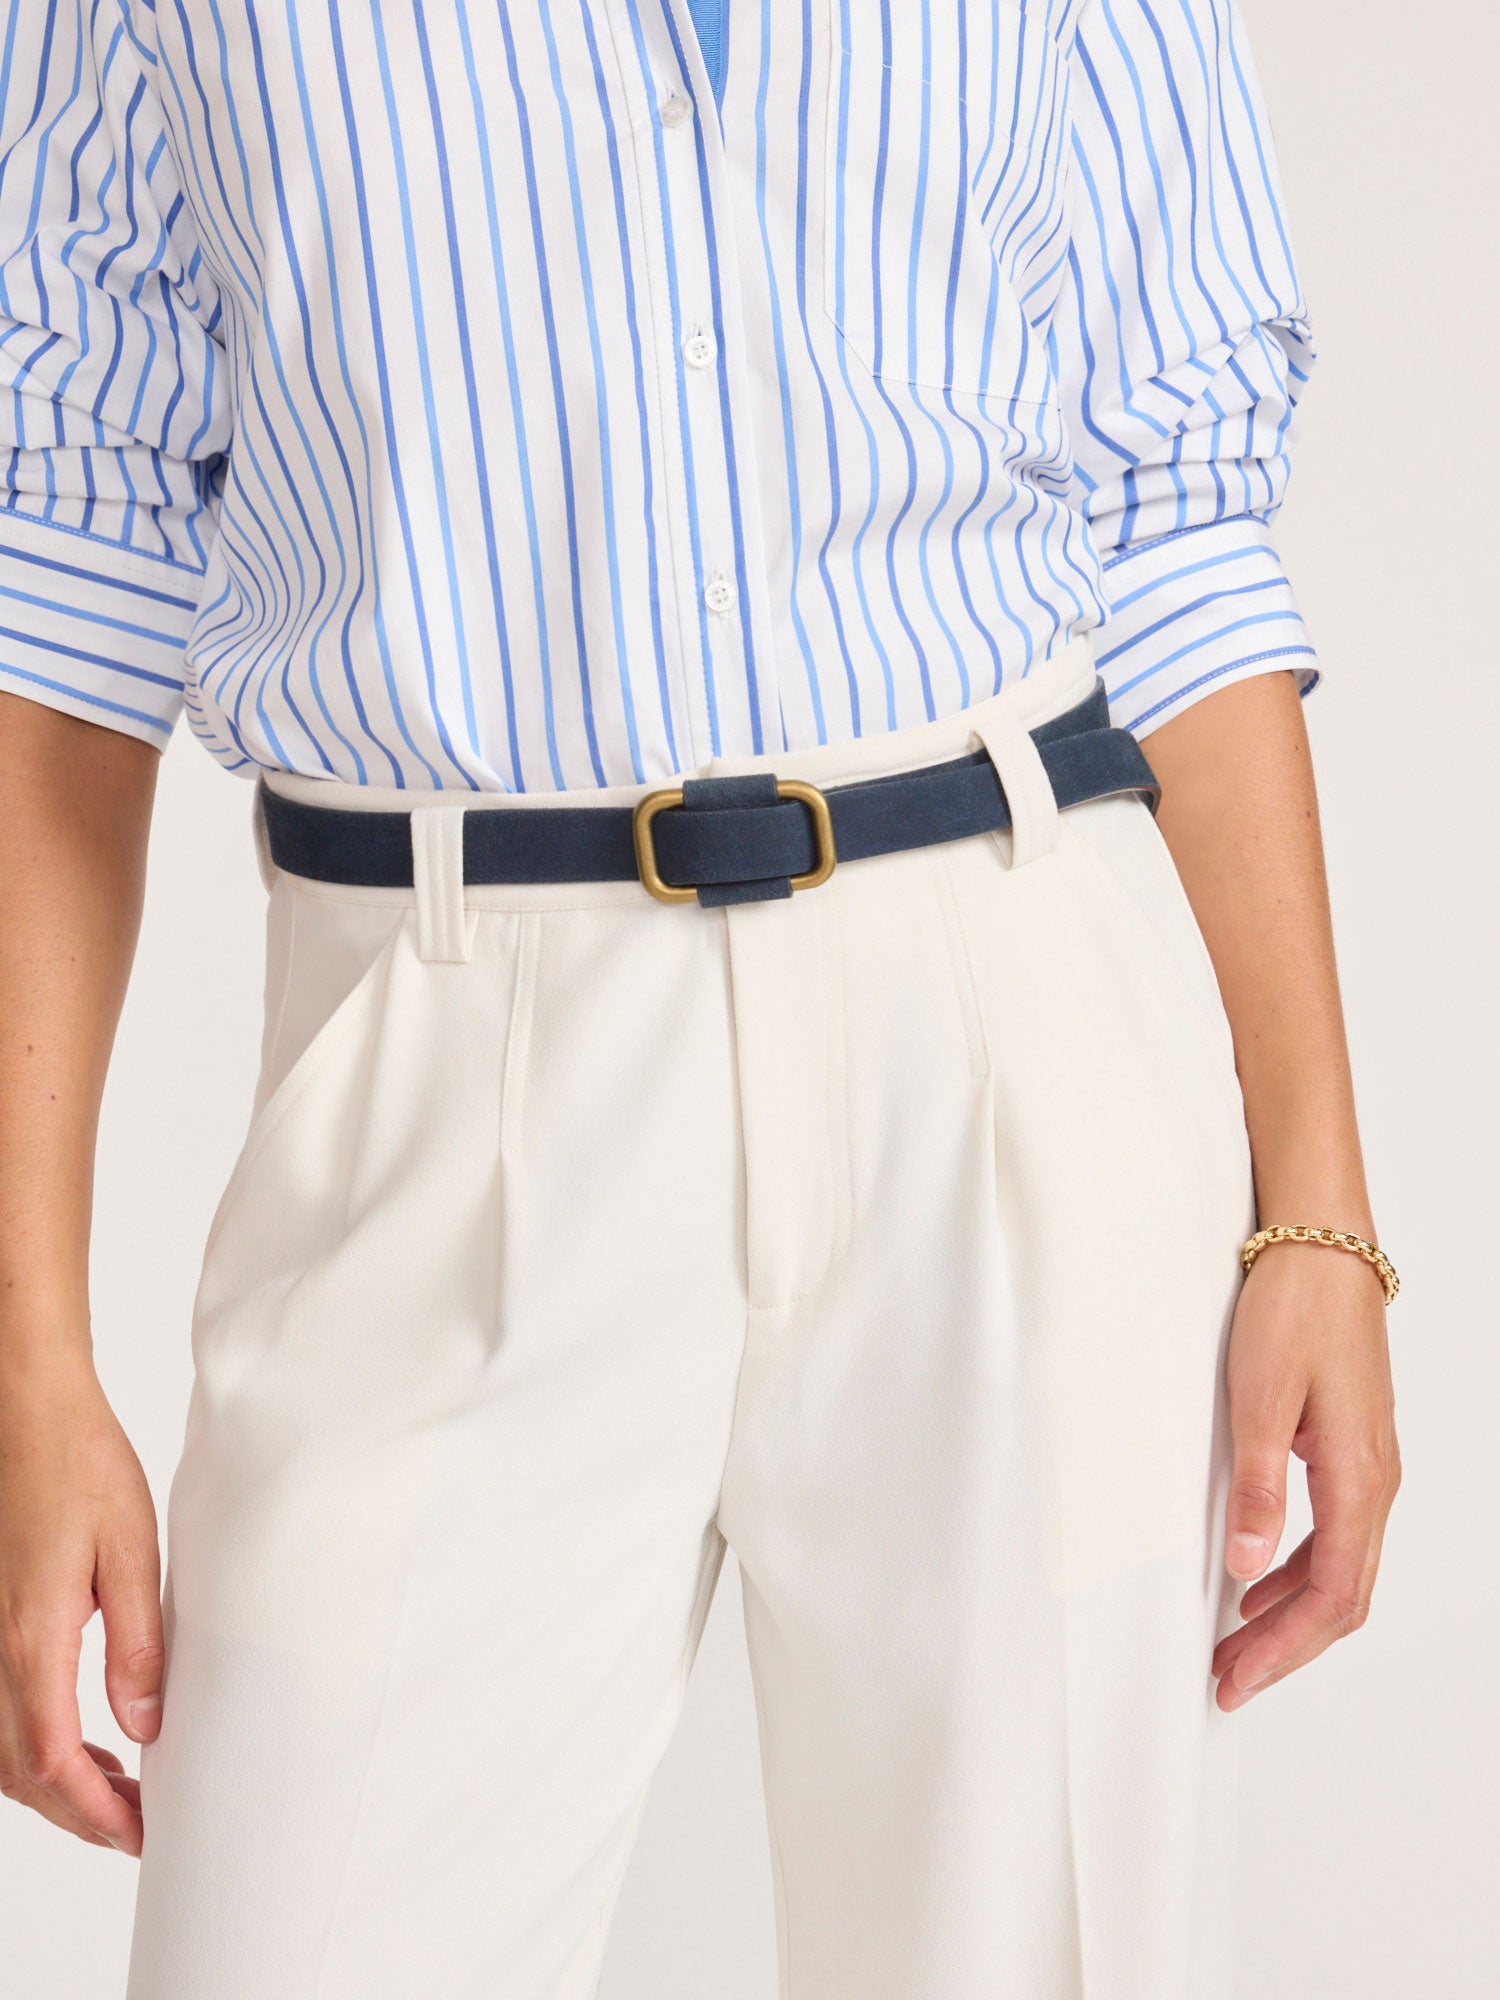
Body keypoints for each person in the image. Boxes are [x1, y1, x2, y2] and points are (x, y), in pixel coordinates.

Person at [0, 2, 1400, 1994]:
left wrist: (1317, 1206)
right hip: (444, 1041)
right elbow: (63, 556)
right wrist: (22, 1351)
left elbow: (1174, 503)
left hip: (1008, 1030)